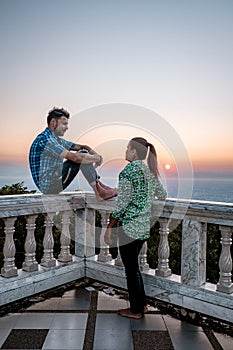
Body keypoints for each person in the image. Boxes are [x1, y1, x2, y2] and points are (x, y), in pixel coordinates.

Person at [104, 137, 167, 319]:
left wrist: (109, 227)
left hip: (128, 230)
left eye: (127, 148)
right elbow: (163, 195)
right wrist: (144, 202)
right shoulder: (149, 171)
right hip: (142, 229)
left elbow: (122, 205)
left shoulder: (127, 172)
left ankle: (135, 310)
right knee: (135, 268)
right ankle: (142, 306)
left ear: (133, 151)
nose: (125, 151)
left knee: (131, 270)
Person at [29, 107, 117, 199]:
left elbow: (83, 147)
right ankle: (99, 191)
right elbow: (75, 158)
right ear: (53, 122)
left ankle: (99, 187)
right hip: (49, 186)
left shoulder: (57, 140)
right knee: (81, 157)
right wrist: (97, 158)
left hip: (54, 181)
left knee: (83, 153)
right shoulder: (46, 140)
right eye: (64, 124)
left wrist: (96, 154)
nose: (67, 127)